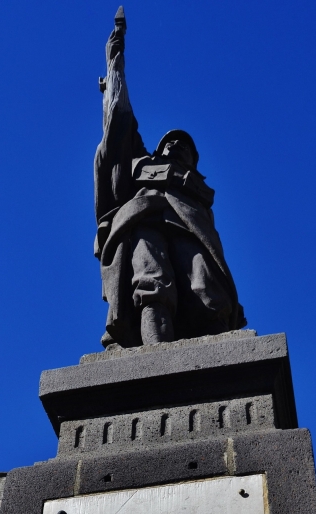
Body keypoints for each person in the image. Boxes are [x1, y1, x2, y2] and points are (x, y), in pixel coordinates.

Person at [94, 8, 246, 348]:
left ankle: (218, 358)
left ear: (193, 161)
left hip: (187, 226)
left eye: (184, 145)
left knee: (206, 290)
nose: (175, 144)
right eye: (169, 142)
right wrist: (115, 63)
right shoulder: (142, 163)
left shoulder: (198, 191)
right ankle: (156, 353)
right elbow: (120, 121)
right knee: (151, 281)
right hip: (143, 217)